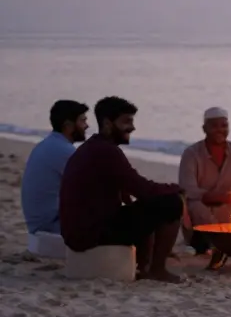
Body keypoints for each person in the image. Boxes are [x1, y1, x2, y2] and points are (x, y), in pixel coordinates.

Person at [60, 96, 185, 283]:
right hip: (90, 233)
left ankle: (143, 266)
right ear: (107, 123)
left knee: (147, 206)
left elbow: (130, 188)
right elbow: (143, 188)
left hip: (80, 230)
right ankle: (157, 269)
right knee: (172, 203)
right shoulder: (106, 151)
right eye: (126, 121)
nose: (132, 128)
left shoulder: (94, 148)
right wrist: (177, 189)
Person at [178, 107, 231, 254]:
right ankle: (205, 241)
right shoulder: (191, 154)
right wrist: (217, 196)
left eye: (224, 126)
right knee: (193, 206)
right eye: (214, 126)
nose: (220, 130)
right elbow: (188, 189)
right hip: (201, 207)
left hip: (229, 207)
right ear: (204, 128)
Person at [21, 100, 89, 235]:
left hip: (41, 223)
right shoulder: (64, 151)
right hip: (50, 227)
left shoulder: (48, 144)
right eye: (82, 121)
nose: (86, 126)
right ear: (68, 126)